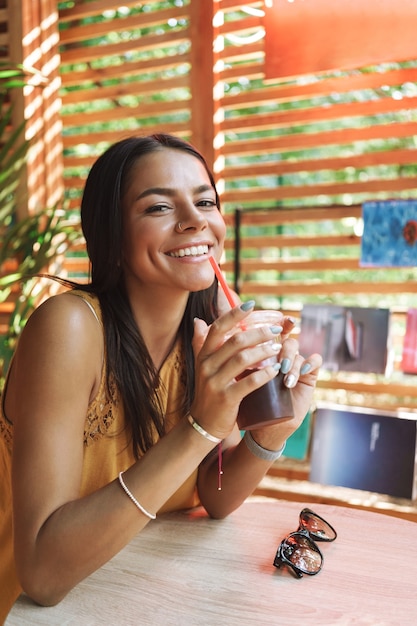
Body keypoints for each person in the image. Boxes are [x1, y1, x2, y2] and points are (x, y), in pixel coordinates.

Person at [0, 133, 322, 620]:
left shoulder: (211, 327)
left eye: (205, 200)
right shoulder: (68, 329)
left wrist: (273, 433)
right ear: (112, 234)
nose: (195, 220)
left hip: (136, 598)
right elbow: (42, 575)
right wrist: (201, 428)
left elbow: (214, 496)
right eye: (157, 207)